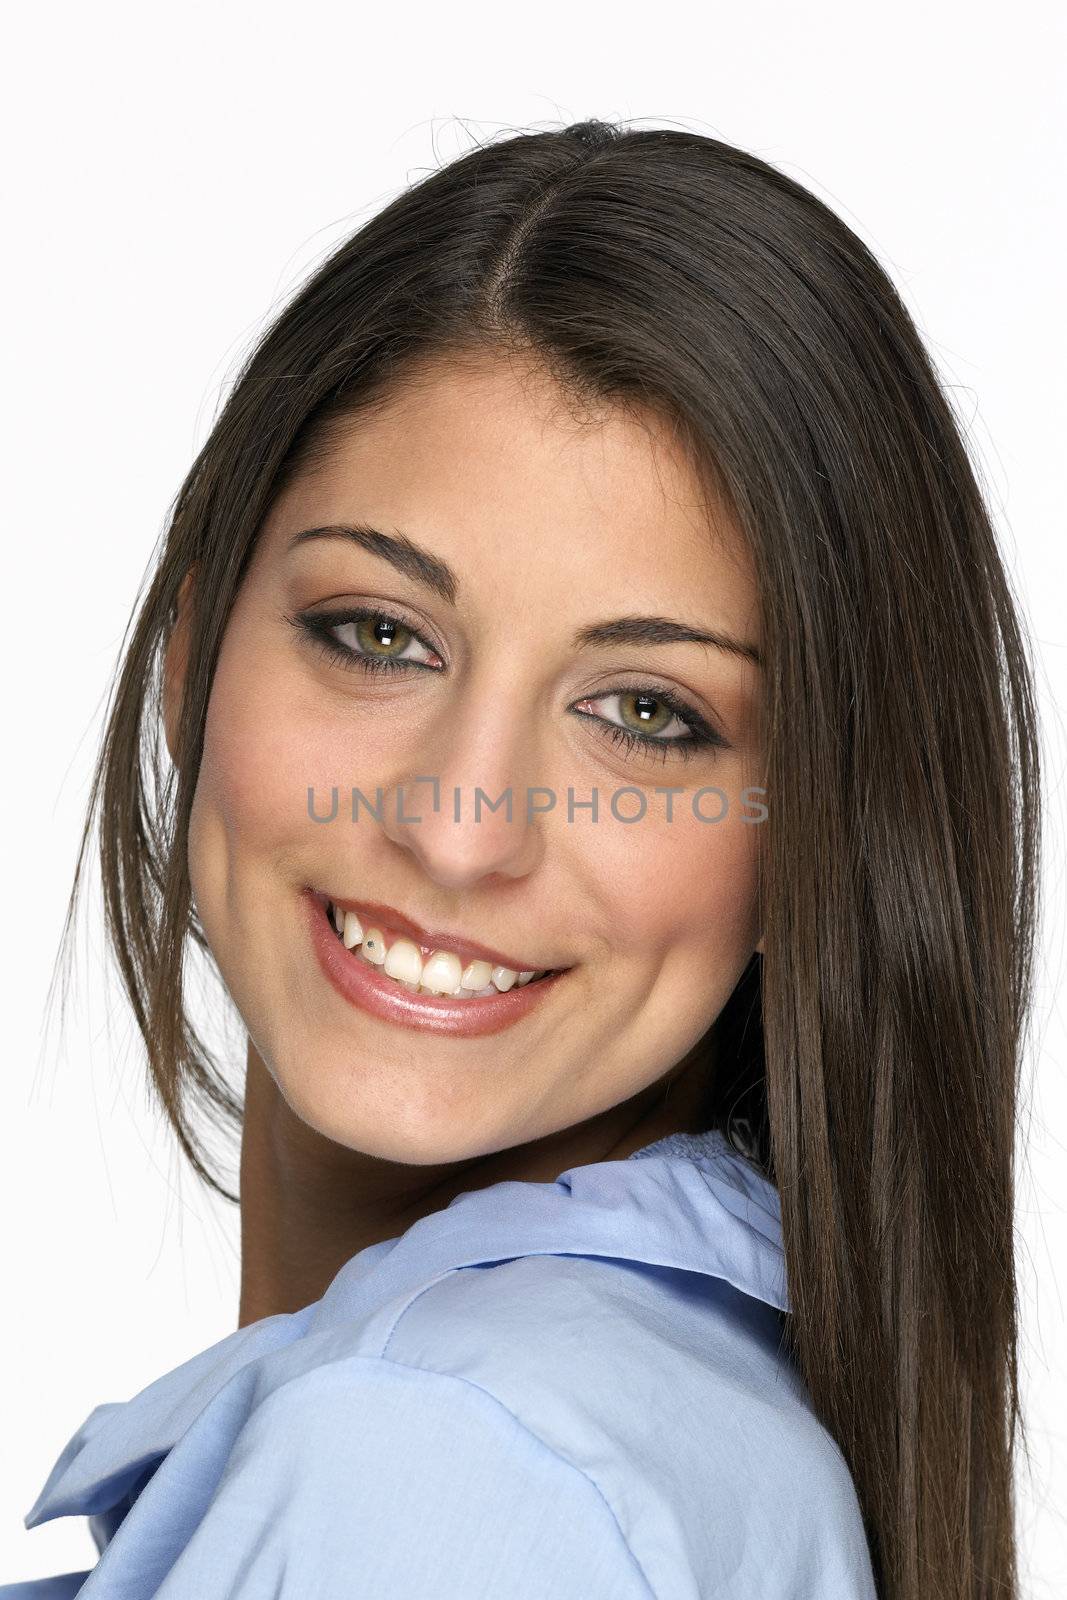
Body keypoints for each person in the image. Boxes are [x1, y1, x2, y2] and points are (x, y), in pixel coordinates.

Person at [2, 118, 1041, 1600]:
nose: (461, 825)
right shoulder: (667, 1431)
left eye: (647, 715)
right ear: (189, 652)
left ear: (814, 841)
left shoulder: (434, 1456)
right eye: (378, 635)